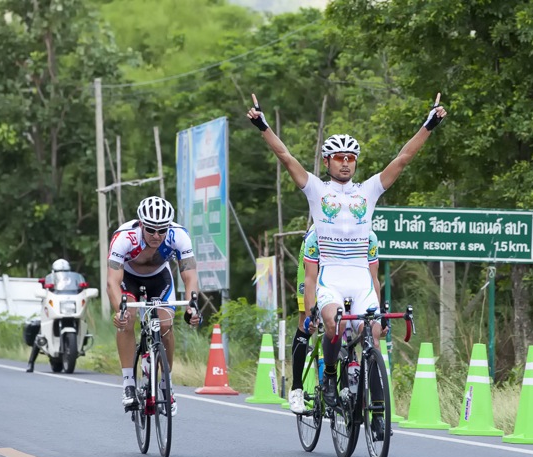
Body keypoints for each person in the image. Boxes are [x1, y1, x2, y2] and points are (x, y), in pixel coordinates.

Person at [247, 92, 445, 408]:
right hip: (329, 276)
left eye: (350, 158)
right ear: (327, 162)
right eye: (338, 158)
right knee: (331, 321)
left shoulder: (368, 191)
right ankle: (324, 379)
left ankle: (377, 409)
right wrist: (263, 125)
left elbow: (403, 158)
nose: (344, 163)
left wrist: (429, 124)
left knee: (375, 332)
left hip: (360, 279)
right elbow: (285, 156)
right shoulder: (316, 189)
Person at [107, 196, 201, 415]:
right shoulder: (124, 237)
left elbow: (190, 277)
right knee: (127, 318)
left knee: (166, 324)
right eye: (151, 230)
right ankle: (128, 383)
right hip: (128, 279)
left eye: (162, 230)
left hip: (160, 278)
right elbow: (112, 281)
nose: (157, 235)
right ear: (141, 224)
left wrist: (192, 306)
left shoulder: (179, 235)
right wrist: (118, 311)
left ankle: (166, 384)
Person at [288, 223, 381, 414]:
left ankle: (350, 375)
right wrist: (310, 314)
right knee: (306, 323)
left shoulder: (367, 235)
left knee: (351, 321)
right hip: (316, 266)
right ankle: (296, 388)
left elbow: (373, 280)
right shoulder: (317, 234)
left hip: (349, 276)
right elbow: (310, 279)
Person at [25, 259, 86, 373]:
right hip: (52, 309)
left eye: (64, 271)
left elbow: (82, 288)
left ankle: (80, 343)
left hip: (69, 306)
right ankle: (31, 362)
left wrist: (84, 290)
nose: (61, 273)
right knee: (40, 332)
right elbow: (43, 291)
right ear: (54, 271)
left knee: (83, 324)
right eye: (59, 271)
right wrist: (44, 288)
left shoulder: (72, 283)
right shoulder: (50, 281)